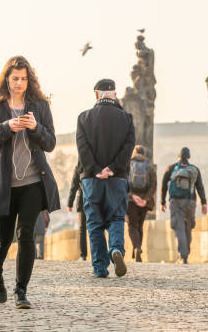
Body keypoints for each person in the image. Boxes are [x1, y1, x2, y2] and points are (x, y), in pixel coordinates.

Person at [0, 55, 60, 309]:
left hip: (33, 181)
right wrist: (6, 127)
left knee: (26, 235)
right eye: (15, 79)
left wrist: (35, 127)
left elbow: (50, 143)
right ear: (7, 79)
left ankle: (21, 291)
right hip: (3, 183)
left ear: (29, 79)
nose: (19, 83)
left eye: (24, 79)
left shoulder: (40, 106)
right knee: (3, 238)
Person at [76, 78, 135, 278]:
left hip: (92, 179)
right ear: (114, 94)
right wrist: (113, 168)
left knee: (94, 222)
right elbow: (128, 148)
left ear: (96, 95)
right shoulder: (126, 118)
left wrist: (96, 169)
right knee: (117, 217)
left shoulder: (84, 118)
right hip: (117, 178)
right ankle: (116, 249)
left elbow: (82, 149)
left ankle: (100, 267)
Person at [160, 147, 207, 264]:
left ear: (178, 156)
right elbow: (200, 187)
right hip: (190, 202)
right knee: (188, 227)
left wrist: (162, 202)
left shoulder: (171, 168)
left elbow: (164, 185)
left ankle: (183, 255)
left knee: (179, 227)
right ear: (189, 157)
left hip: (175, 202)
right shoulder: (194, 169)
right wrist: (204, 202)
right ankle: (186, 252)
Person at [126, 145, 157, 262]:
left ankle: (136, 247)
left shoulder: (128, 164)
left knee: (132, 225)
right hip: (144, 202)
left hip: (131, 201)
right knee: (139, 225)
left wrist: (132, 196)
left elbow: (124, 182)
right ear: (144, 154)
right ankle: (137, 249)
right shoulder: (149, 166)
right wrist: (145, 198)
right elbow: (153, 184)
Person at [68, 162, 87, 260]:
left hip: (82, 200)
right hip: (95, 200)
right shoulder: (96, 163)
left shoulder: (79, 167)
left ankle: (83, 255)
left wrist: (69, 203)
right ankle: (99, 252)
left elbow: (74, 185)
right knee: (97, 227)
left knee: (82, 229)